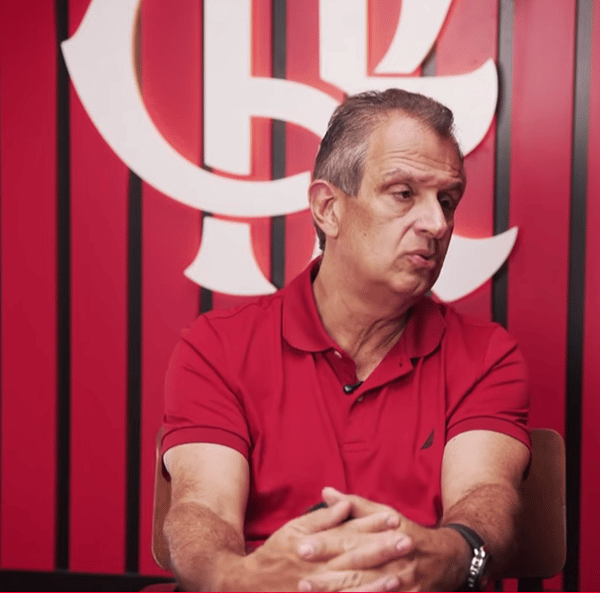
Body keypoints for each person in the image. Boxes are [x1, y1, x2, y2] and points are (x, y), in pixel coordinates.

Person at [160, 89, 531, 591]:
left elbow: (485, 497)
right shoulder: (217, 346)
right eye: (404, 194)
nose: (438, 224)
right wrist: (238, 580)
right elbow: (202, 509)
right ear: (328, 208)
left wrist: (443, 555)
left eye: (447, 200)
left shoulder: (488, 356)